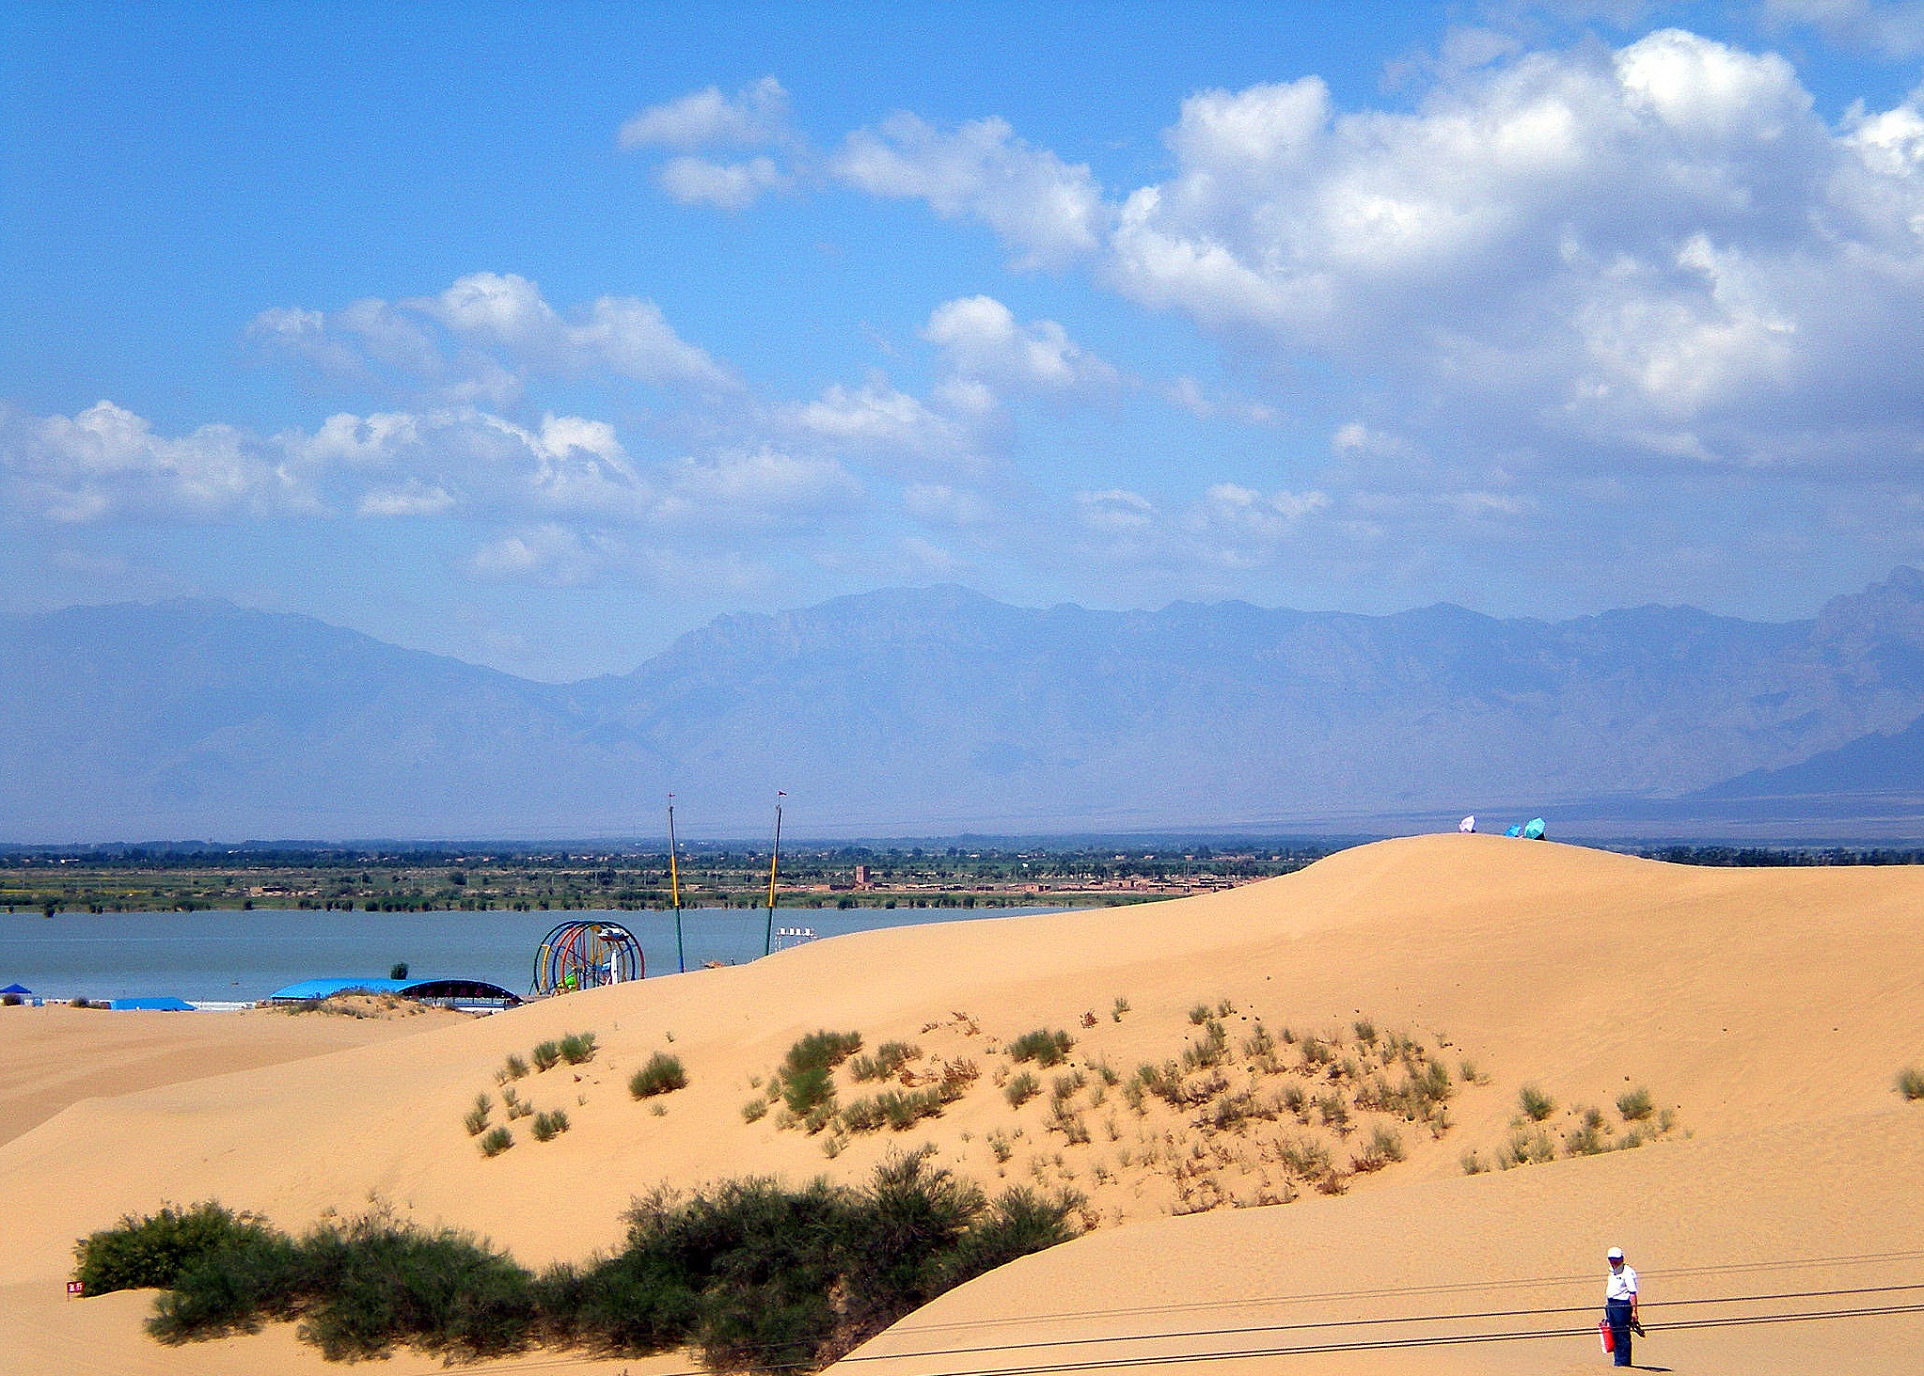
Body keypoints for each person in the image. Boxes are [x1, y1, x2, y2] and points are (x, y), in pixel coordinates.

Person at [1604, 1246, 1640, 1366]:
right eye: (1611, 1259)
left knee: (1622, 1334)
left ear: (1622, 1258)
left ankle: (1624, 1363)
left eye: (1616, 1259)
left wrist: (1634, 1311)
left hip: (1622, 1306)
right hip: (1611, 1304)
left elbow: (1632, 1293)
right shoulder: (1612, 1271)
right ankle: (1618, 1362)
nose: (1613, 1262)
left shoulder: (1627, 1272)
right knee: (1614, 1333)